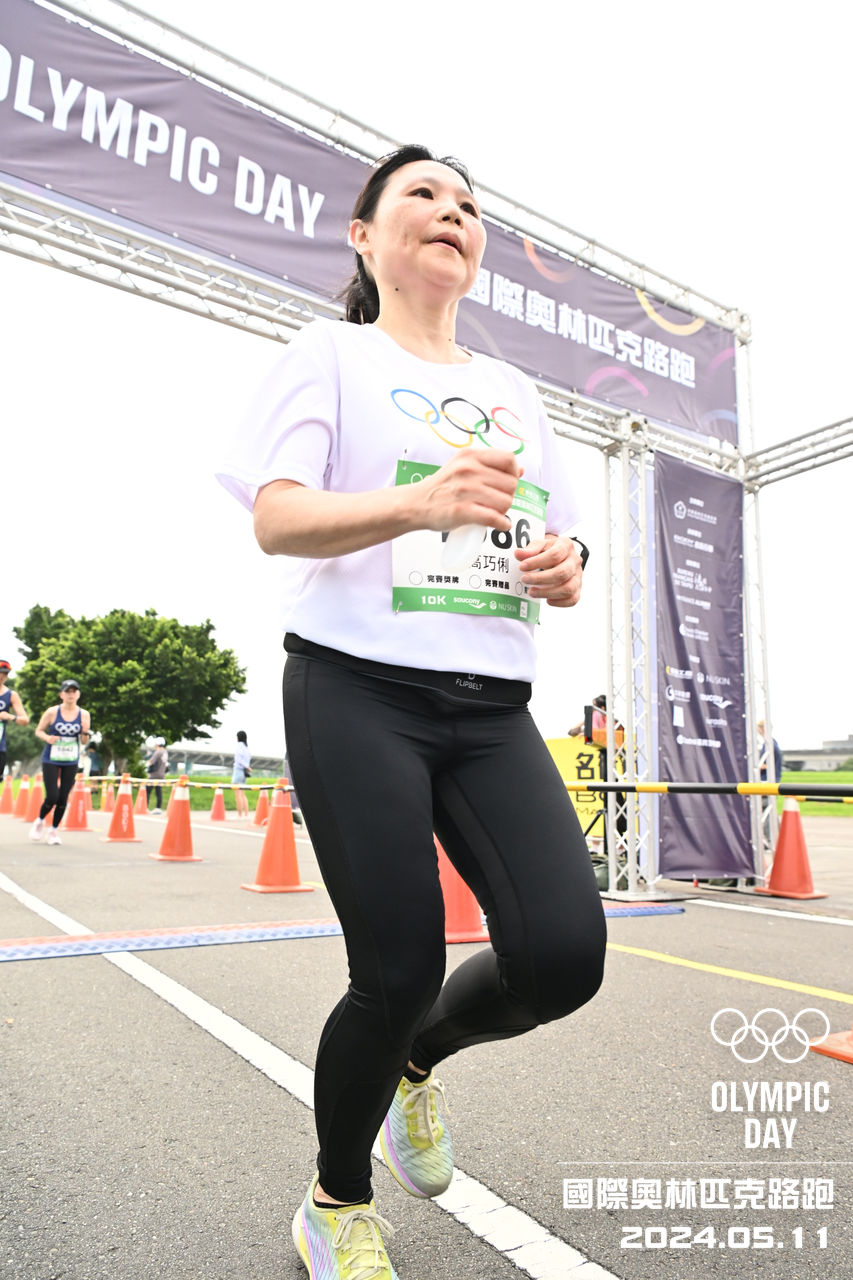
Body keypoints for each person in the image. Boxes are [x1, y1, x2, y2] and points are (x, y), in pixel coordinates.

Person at [217, 145, 606, 1280]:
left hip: (491, 706)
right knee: (395, 967)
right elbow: (277, 519)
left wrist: (566, 564)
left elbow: (557, 533)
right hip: (355, 685)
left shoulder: (513, 389)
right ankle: (335, 1201)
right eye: (423, 195)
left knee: (561, 959)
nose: (452, 213)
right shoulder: (329, 354)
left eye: (467, 204)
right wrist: (418, 501)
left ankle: (417, 1064)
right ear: (363, 234)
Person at [30, 679, 91, 844]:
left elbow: (84, 741)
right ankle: (40, 821)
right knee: (52, 796)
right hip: (51, 758)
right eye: (67, 691)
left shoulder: (84, 714)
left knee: (63, 798)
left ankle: (53, 831)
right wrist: (48, 738)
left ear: (78, 694)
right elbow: (38, 731)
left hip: (70, 759)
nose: (71, 695)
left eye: (74, 691)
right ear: (61, 694)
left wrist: (85, 732)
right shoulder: (52, 712)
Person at [0, 659, 29, 778]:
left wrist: (9, 716)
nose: (2, 676)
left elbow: (25, 720)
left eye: (5, 673)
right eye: (0, 672)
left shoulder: (11, 695)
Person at [232, 730, 252, 819]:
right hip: (244, 772)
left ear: (238, 737)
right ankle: (246, 814)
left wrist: (246, 766)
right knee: (243, 794)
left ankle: (239, 815)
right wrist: (247, 766)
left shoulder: (239, 746)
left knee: (238, 795)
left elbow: (238, 759)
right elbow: (248, 758)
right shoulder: (246, 747)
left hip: (238, 770)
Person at [146, 737, 169, 813]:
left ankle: (145, 807)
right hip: (161, 774)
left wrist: (147, 761)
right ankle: (158, 808)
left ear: (157, 744)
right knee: (158, 791)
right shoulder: (165, 752)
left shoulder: (158, 752)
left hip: (154, 775)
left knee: (147, 790)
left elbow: (151, 762)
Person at [757, 718, 783, 783]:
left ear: (763, 729)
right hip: (771, 778)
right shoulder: (770, 743)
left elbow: (766, 765)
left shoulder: (769, 745)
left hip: (768, 779)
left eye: (758, 728)